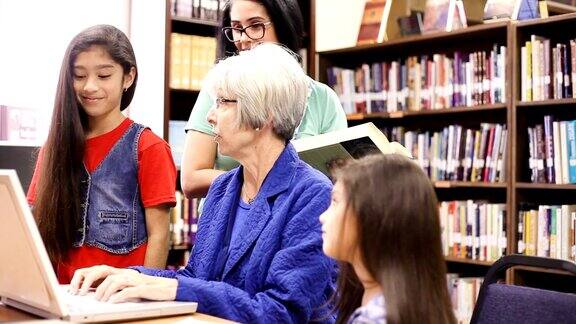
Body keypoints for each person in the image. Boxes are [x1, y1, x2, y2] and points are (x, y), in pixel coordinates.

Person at [68, 43, 337, 323]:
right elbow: (195, 278)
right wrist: (131, 275)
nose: (210, 116)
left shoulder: (312, 196)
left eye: (222, 102)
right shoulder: (224, 189)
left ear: (264, 114)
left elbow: (281, 311)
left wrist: (176, 288)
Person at [27, 25, 176, 284]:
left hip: (119, 302)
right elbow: (32, 223)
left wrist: (144, 295)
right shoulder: (55, 146)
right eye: (79, 75)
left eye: (104, 75)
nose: (90, 87)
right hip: (62, 298)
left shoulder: (148, 147)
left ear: (128, 77)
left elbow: (159, 236)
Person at [181, 0, 347, 200]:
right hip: (229, 217)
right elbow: (191, 180)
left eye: (256, 26)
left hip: (304, 213)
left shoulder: (323, 98)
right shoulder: (216, 91)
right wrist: (260, 182)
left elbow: (341, 178)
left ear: (283, 27)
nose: (244, 38)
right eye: (236, 28)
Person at [320, 154, 457, 324]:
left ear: (372, 218)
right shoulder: (415, 303)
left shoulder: (374, 319)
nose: (322, 217)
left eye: (335, 201)